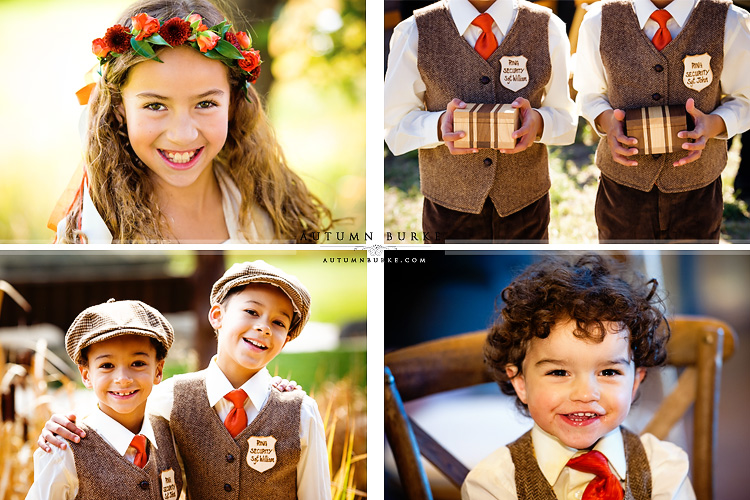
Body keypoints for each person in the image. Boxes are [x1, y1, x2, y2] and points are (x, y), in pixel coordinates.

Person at [39, 261, 331, 500]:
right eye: (251, 311)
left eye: (279, 322)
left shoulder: (300, 412)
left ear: (287, 338)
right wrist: (60, 428)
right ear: (217, 315)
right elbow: (117, 408)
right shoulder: (168, 398)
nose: (263, 327)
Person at [50, 0, 332, 244]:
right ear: (119, 108)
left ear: (233, 103)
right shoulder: (95, 232)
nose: (183, 135)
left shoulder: (268, 212)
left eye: (205, 104)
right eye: (155, 105)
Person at [461, 254, 695, 499]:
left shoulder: (665, 471)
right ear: (520, 382)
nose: (585, 394)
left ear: (635, 381)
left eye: (608, 372)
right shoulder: (492, 485)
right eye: (559, 372)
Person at [384, 0, 577, 243]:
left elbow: (566, 116)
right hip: (448, 208)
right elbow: (394, 124)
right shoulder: (415, 31)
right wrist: (438, 126)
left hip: (527, 206)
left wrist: (539, 122)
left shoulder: (548, 28)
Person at [573, 0, 750, 242]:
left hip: (698, 190)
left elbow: (744, 97)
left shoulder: (729, 19)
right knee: (619, 275)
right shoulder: (598, 19)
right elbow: (589, 93)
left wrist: (713, 124)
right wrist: (606, 121)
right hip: (622, 189)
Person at [26, 299, 183, 500]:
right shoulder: (64, 451)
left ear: (158, 370)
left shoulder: (169, 433)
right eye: (107, 365)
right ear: (86, 375)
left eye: (137, 363)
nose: (123, 379)